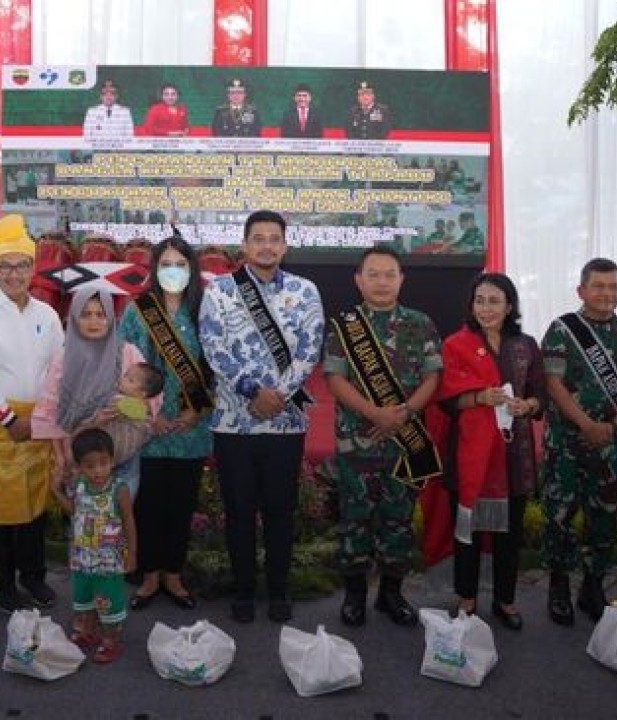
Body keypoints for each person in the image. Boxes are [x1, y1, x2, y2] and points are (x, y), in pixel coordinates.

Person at [199, 209, 324, 624]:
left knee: (279, 509)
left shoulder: (306, 291)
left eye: (274, 238)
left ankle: (278, 589)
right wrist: (254, 392)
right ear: (245, 245)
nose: (267, 245)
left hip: (286, 424)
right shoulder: (219, 291)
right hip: (234, 422)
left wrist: (280, 395)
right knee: (238, 509)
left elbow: (310, 350)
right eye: (259, 238)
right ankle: (244, 590)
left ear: (284, 246)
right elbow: (214, 348)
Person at [323, 246, 441, 627]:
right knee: (354, 519)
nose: (381, 281)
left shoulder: (421, 323)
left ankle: (392, 594)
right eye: (373, 274)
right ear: (359, 280)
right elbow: (335, 378)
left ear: (401, 279)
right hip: (356, 439)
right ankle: (354, 596)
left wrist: (403, 413)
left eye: (389, 274)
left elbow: (432, 377)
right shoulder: (345, 326)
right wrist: (375, 413)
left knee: (398, 519)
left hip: (405, 440)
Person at [540, 257, 617, 626]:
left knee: (603, 517)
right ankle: (558, 587)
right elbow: (553, 384)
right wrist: (586, 424)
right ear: (582, 290)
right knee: (559, 516)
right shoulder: (562, 329)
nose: (607, 293)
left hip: (610, 443)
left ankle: (593, 585)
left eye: (614, 287)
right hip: (567, 443)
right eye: (599, 286)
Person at [0, 214, 64, 611]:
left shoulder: (48, 315)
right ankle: (1, 584)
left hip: (35, 422)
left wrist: (45, 416)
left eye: (22, 265)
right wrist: (7, 419)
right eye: (6, 266)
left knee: (34, 503)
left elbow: (58, 367)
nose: (14, 274)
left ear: (33, 268)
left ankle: (34, 578)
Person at [430, 272, 545, 631]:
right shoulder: (456, 344)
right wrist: (479, 397)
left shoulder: (526, 344)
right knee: (468, 531)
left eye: (495, 301)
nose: (486, 308)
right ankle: (466, 597)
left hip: (514, 455)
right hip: (469, 455)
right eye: (480, 300)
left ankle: (505, 600)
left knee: (509, 534)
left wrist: (527, 405)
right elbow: (446, 399)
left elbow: (540, 394)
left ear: (509, 306)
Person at [118, 235, 213, 611]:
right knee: (149, 504)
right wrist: (148, 416)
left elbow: (217, 365)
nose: (173, 271)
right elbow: (124, 367)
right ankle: (150, 574)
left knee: (180, 503)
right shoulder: (138, 310)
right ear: (155, 270)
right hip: (148, 429)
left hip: (192, 428)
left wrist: (197, 409)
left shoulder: (206, 309)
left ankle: (174, 575)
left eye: (181, 264)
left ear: (192, 269)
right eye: (166, 264)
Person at [31, 287, 158, 498]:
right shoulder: (63, 360)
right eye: (85, 314)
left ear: (111, 318)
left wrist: (123, 409)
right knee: (84, 524)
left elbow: (152, 399)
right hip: (80, 461)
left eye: (101, 314)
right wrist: (62, 458)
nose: (94, 321)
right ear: (73, 318)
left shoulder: (127, 352)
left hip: (123, 458)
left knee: (119, 523)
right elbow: (50, 413)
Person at [51, 428, 137, 664]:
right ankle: (86, 632)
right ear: (79, 467)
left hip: (108, 563)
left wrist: (132, 554)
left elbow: (129, 521)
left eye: (103, 463)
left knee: (107, 602)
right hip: (82, 560)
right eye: (90, 466)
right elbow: (73, 511)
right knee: (83, 599)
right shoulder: (79, 485)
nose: (98, 471)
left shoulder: (119, 489)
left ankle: (110, 641)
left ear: (112, 460)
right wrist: (56, 490)